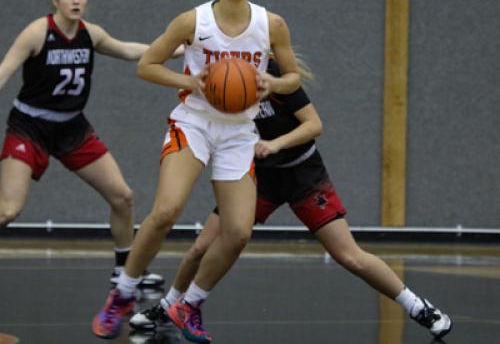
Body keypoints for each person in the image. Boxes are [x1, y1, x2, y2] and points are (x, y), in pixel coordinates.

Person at [129, 57, 453, 340]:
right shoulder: (219, 73)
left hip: (302, 175)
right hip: (257, 177)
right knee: (202, 246)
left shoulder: (276, 77)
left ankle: (418, 307)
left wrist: (277, 143)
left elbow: (315, 125)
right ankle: (170, 306)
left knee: (348, 255)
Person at [92, 0, 301, 341]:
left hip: (239, 131)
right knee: (167, 210)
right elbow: (146, 65)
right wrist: (189, 81)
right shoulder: (194, 20)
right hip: (195, 123)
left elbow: (292, 78)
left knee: (238, 233)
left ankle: (187, 305)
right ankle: (122, 293)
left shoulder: (271, 24)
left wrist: (273, 83)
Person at [0, 0, 164, 288]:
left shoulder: (91, 34)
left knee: (123, 197)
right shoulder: (38, 32)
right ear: (55, 0)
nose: (76, 1)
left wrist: (174, 50)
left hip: (71, 127)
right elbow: (4, 72)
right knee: (8, 210)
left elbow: (128, 50)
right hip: (30, 126)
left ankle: (125, 271)